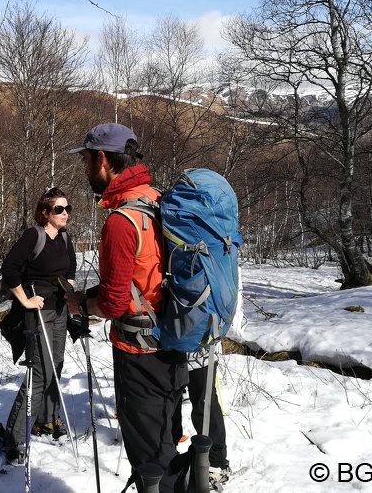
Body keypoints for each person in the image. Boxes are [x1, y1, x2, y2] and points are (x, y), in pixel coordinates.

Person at [65, 123, 188, 493]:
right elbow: (144, 276)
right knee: (166, 442)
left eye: (86, 160)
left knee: (151, 458)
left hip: (139, 352)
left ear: (103, 159)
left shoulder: (122, 221)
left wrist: (82, 303)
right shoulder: (156, 198)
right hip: (172, 339)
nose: (85, 169)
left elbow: (116, 303)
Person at [0, 187, 77, 465]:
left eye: (67, 208)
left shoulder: (65, 237)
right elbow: (9, 268)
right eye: (59, 209)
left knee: (55, 364)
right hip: (39, 312)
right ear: (45, 212)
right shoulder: (34, 235)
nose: (65, 213)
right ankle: (14, 437)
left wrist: (69, 287)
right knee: (39, 373)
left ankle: (46, 420)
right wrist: (25, 300)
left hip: (60, 310)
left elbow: (71, 269)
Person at [172, 349, 231, 485]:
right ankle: (168, 455)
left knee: (204, 403)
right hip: (167, 348)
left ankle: (215, 463)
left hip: (201, 348)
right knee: (169, 403)